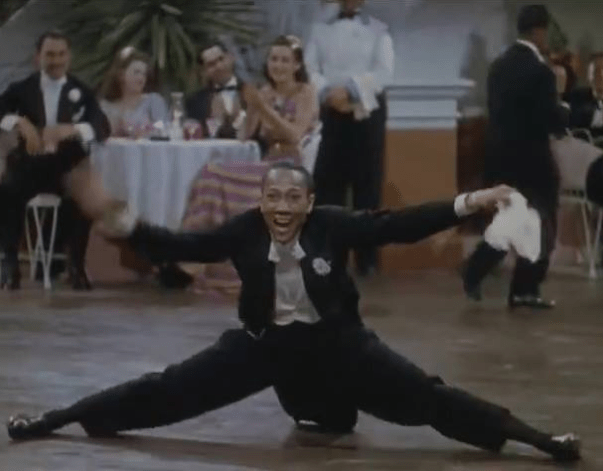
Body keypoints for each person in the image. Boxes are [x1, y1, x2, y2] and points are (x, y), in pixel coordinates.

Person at [6, 162, 580, 463]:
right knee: (163, 389)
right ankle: (50, 420)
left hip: (339, 344)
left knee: (428, 397)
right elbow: (182, 245)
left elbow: (396, 225)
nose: (281, 207)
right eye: (272, 197)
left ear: (308, 203)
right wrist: (124, 223)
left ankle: (541, 440)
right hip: (266, 348)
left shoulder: (332, 225)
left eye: (292, 198)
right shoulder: (244, 230)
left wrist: (471, 202)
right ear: (262, 202)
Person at [462, 5, 566, 309]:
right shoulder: (541, 72)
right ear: (540, 31)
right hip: (533, 161)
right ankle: (524, 288)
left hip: (499, 158)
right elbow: (551, 121)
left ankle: (477, 269)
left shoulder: (498, 66)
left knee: (513, 221)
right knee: (543, 223)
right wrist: (564, 107)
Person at [0, 30, 118, 290]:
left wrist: (73, 129)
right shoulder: (22, 88)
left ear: (69, 56)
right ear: (38, 57)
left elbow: (102, 126)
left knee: (82, 196)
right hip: (30, 164)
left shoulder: (82, 90)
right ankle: (9, 263)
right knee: (6, 190)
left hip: (66, 167)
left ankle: (76, 266)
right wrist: (18, 121)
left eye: (61, 54)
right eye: (50, 54)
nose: (56, 60)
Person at [304, 0, 394, 277]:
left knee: (368, 186)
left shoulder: (379, 29)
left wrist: (351, 90)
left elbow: (384, 71)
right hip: (330, 110)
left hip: (366, 110)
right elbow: (310, 67)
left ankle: (367, 259)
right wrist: (328, 93)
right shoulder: (318, 29)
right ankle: (329, 255)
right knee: (328, 183)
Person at [243, 35, 319, 165]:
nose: (278, 65)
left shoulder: (306, 92)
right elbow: (246, 137)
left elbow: (295, 136)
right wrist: (251, 106)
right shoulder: (264, 92)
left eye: (285, 61)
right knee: (213, 169)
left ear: (297, 65)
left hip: (299, 163)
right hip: (267, 160)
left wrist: (262, 108)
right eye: (274, 59)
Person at [98, 47, 168, 138]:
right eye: (136, 72)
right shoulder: (106, 106)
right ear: (121, 75)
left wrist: (144, 130)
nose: (141, 78)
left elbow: (164, 127)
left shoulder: (153, 101)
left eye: (144, 74)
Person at [185, 41, 246, 139]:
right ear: (204, 71)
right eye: (211, 64)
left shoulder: (251, 93)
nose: (219, 66)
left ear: (231, 58)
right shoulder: (194, 101)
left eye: (221, 59)